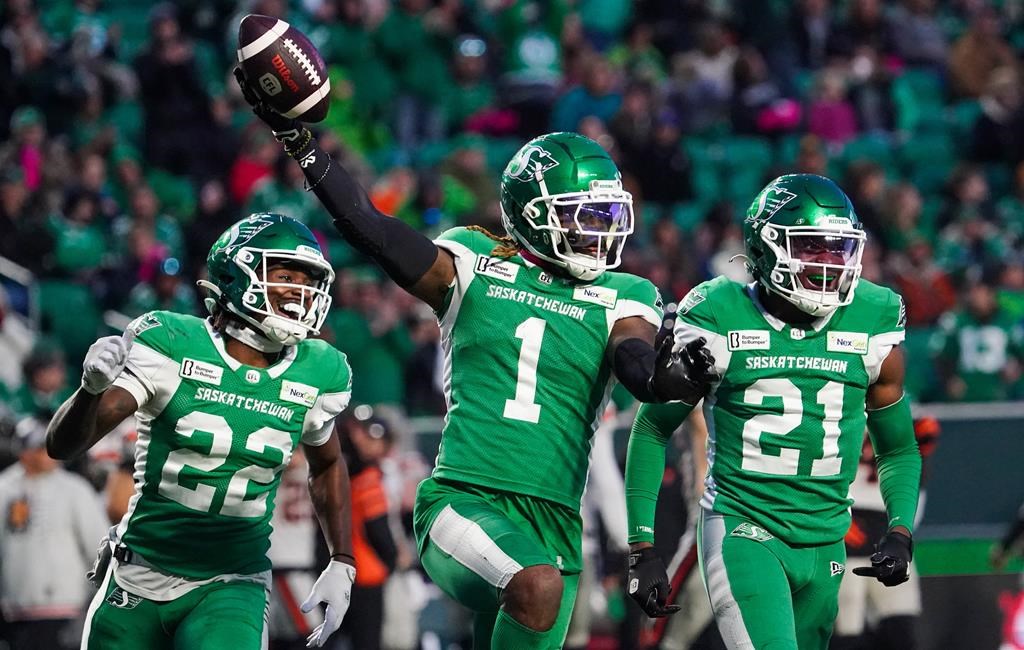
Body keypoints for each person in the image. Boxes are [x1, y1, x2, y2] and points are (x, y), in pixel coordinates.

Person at [235, 69, 717, 649]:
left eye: (606, 217)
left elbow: (636, 362)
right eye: (584, 216)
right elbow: (375, 230)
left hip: (555, 525)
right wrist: (304, 147)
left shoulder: (625, 293)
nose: (599, 234)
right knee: (535, 587)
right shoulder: (473, 261)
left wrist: (676, 373)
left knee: (538, 591)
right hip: (463, 501)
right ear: (533, 213)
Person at [623, 174, 922, 650]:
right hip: (744, 527)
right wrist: (641, 547)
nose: (829, 263)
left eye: (838, 249)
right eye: (812, 248)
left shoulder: (873, 316)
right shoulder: (720, 312)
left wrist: (901, 528)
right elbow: (652, 427)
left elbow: (898, 446)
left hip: (827, 539)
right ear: (766, 249)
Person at [46, 213, 358, 649]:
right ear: (235, 273)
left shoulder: (319, 369)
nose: (299, 291)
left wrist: (342, 558)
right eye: (285, 274)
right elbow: (64, 446)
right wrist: (90, 390)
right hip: (139, 573)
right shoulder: (173, 343)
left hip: (231, 580)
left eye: (308, 280)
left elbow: (327, 464)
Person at [0, 416, 108, 650]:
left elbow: (98, 547)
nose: (47, 453)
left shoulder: (75, 489)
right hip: (15, 608)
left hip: (67, 606)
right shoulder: (4, 487)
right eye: (39, 448)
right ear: (23, 451)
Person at [833, 416, 941, 650]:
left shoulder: (900, 421)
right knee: (847, 632)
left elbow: (912, 496)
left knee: (901, 627)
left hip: (886, 534)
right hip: (845, 534)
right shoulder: (837, 411)